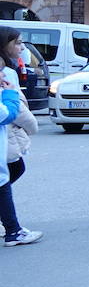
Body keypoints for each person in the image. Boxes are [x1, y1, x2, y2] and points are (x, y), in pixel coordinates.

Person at [1, 26, 41, 247]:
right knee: (5, 177)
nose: (21, 47)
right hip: (7, 134)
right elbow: (10, 112)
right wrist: (31, 125)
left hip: (7, 135)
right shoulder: (6, 72)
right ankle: (13, 231)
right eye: (17, 42)